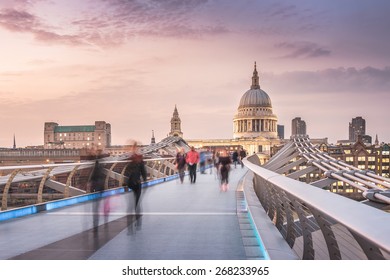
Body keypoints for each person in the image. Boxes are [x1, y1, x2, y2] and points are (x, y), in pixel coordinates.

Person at [124, 141, 147, 233]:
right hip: (133, 184)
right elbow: (127, 172)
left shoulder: (134, 159)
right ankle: (134, 225)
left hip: (135, 184)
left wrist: (144, 179)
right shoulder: (133, 159)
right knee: (132, 205)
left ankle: (137, 222)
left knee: (135, 204)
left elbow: (142, 171)